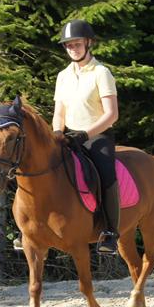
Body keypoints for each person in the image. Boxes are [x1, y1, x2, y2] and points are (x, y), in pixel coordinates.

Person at [52, 19, 120, 255]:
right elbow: (59, 112)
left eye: (77, 44)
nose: (73, 49)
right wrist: (57, 133)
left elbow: (112, 114)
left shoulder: (102, 73)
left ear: (89, 43)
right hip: (68, 135)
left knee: (106, 174)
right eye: (69, 45)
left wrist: (85, 134)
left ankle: (110, 232)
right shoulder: (63, 76)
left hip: (96, 136)